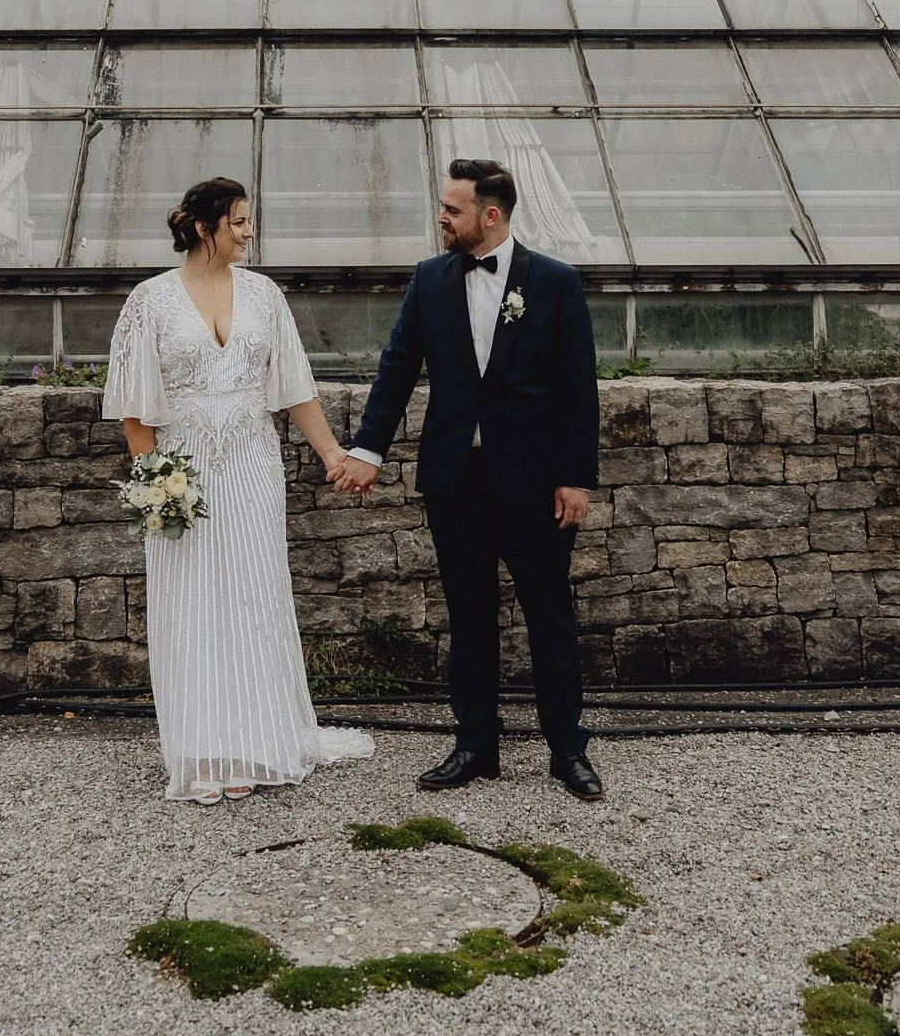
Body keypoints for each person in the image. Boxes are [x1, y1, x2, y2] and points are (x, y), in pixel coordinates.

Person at [330, 158, 604, 801]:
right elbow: (397, 367)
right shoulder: (428, 279)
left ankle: (568, 750)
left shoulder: (556, 282)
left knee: (550, 616)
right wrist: (369, 446)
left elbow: (578, 387)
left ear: (491, 214)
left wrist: (575, 476)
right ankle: (475, 745)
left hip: (536, 482)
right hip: (454, 478)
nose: (441, 219)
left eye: (452, 210)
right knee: (469, 615)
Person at [102, 176, 374, 805]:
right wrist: (153, 482)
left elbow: (294, 386)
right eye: (240, 223)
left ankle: (255, 739)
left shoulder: (264, 295)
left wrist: (332, 451)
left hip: (253, 462)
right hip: (182, 468)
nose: (249, 233)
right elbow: (135, 408)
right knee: (191, 604)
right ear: (205, 228)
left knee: (253, 596)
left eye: (250, 222)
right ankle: (202, 748)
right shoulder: (149, 301)